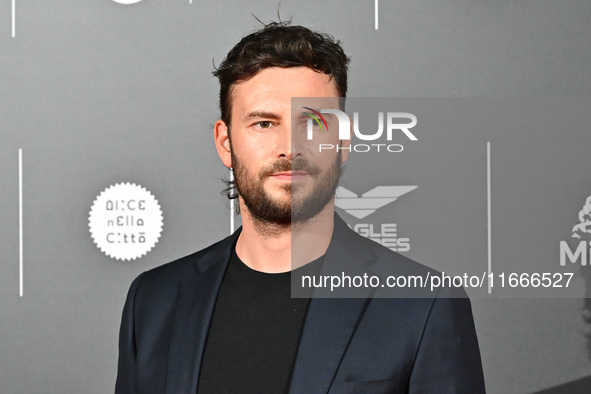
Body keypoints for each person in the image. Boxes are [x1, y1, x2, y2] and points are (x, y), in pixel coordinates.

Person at [115, 21, 486, 393]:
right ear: (226, 143)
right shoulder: (154, 300)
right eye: (264, 123)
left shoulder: (424, 304)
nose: (290, 146)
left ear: (343, 141)